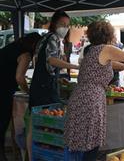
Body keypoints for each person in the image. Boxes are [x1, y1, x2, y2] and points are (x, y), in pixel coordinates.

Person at [64, 21, 124, 160]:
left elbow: (106, 63)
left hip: (80, 97)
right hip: (91, 100)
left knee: (82, 142)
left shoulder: (92, 50)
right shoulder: (106, 49)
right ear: (109, 35)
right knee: (91, 145)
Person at [27, 10, 79, 160]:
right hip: (44, 86)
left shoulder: (45, 38)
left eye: (67, 25)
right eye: (62, 24)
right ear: (54, 24)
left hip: (39, 84)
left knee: (35, 122)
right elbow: (51, 60)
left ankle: (32, 156)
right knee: (47, 124)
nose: (65, 28)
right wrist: (73, 66)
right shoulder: (53, 38)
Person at [0, 33, 41, 161]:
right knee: (2, 123)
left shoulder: (11, 47)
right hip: (3, 90)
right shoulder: (26, 54)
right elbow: (19, 77)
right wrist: (28, 91)